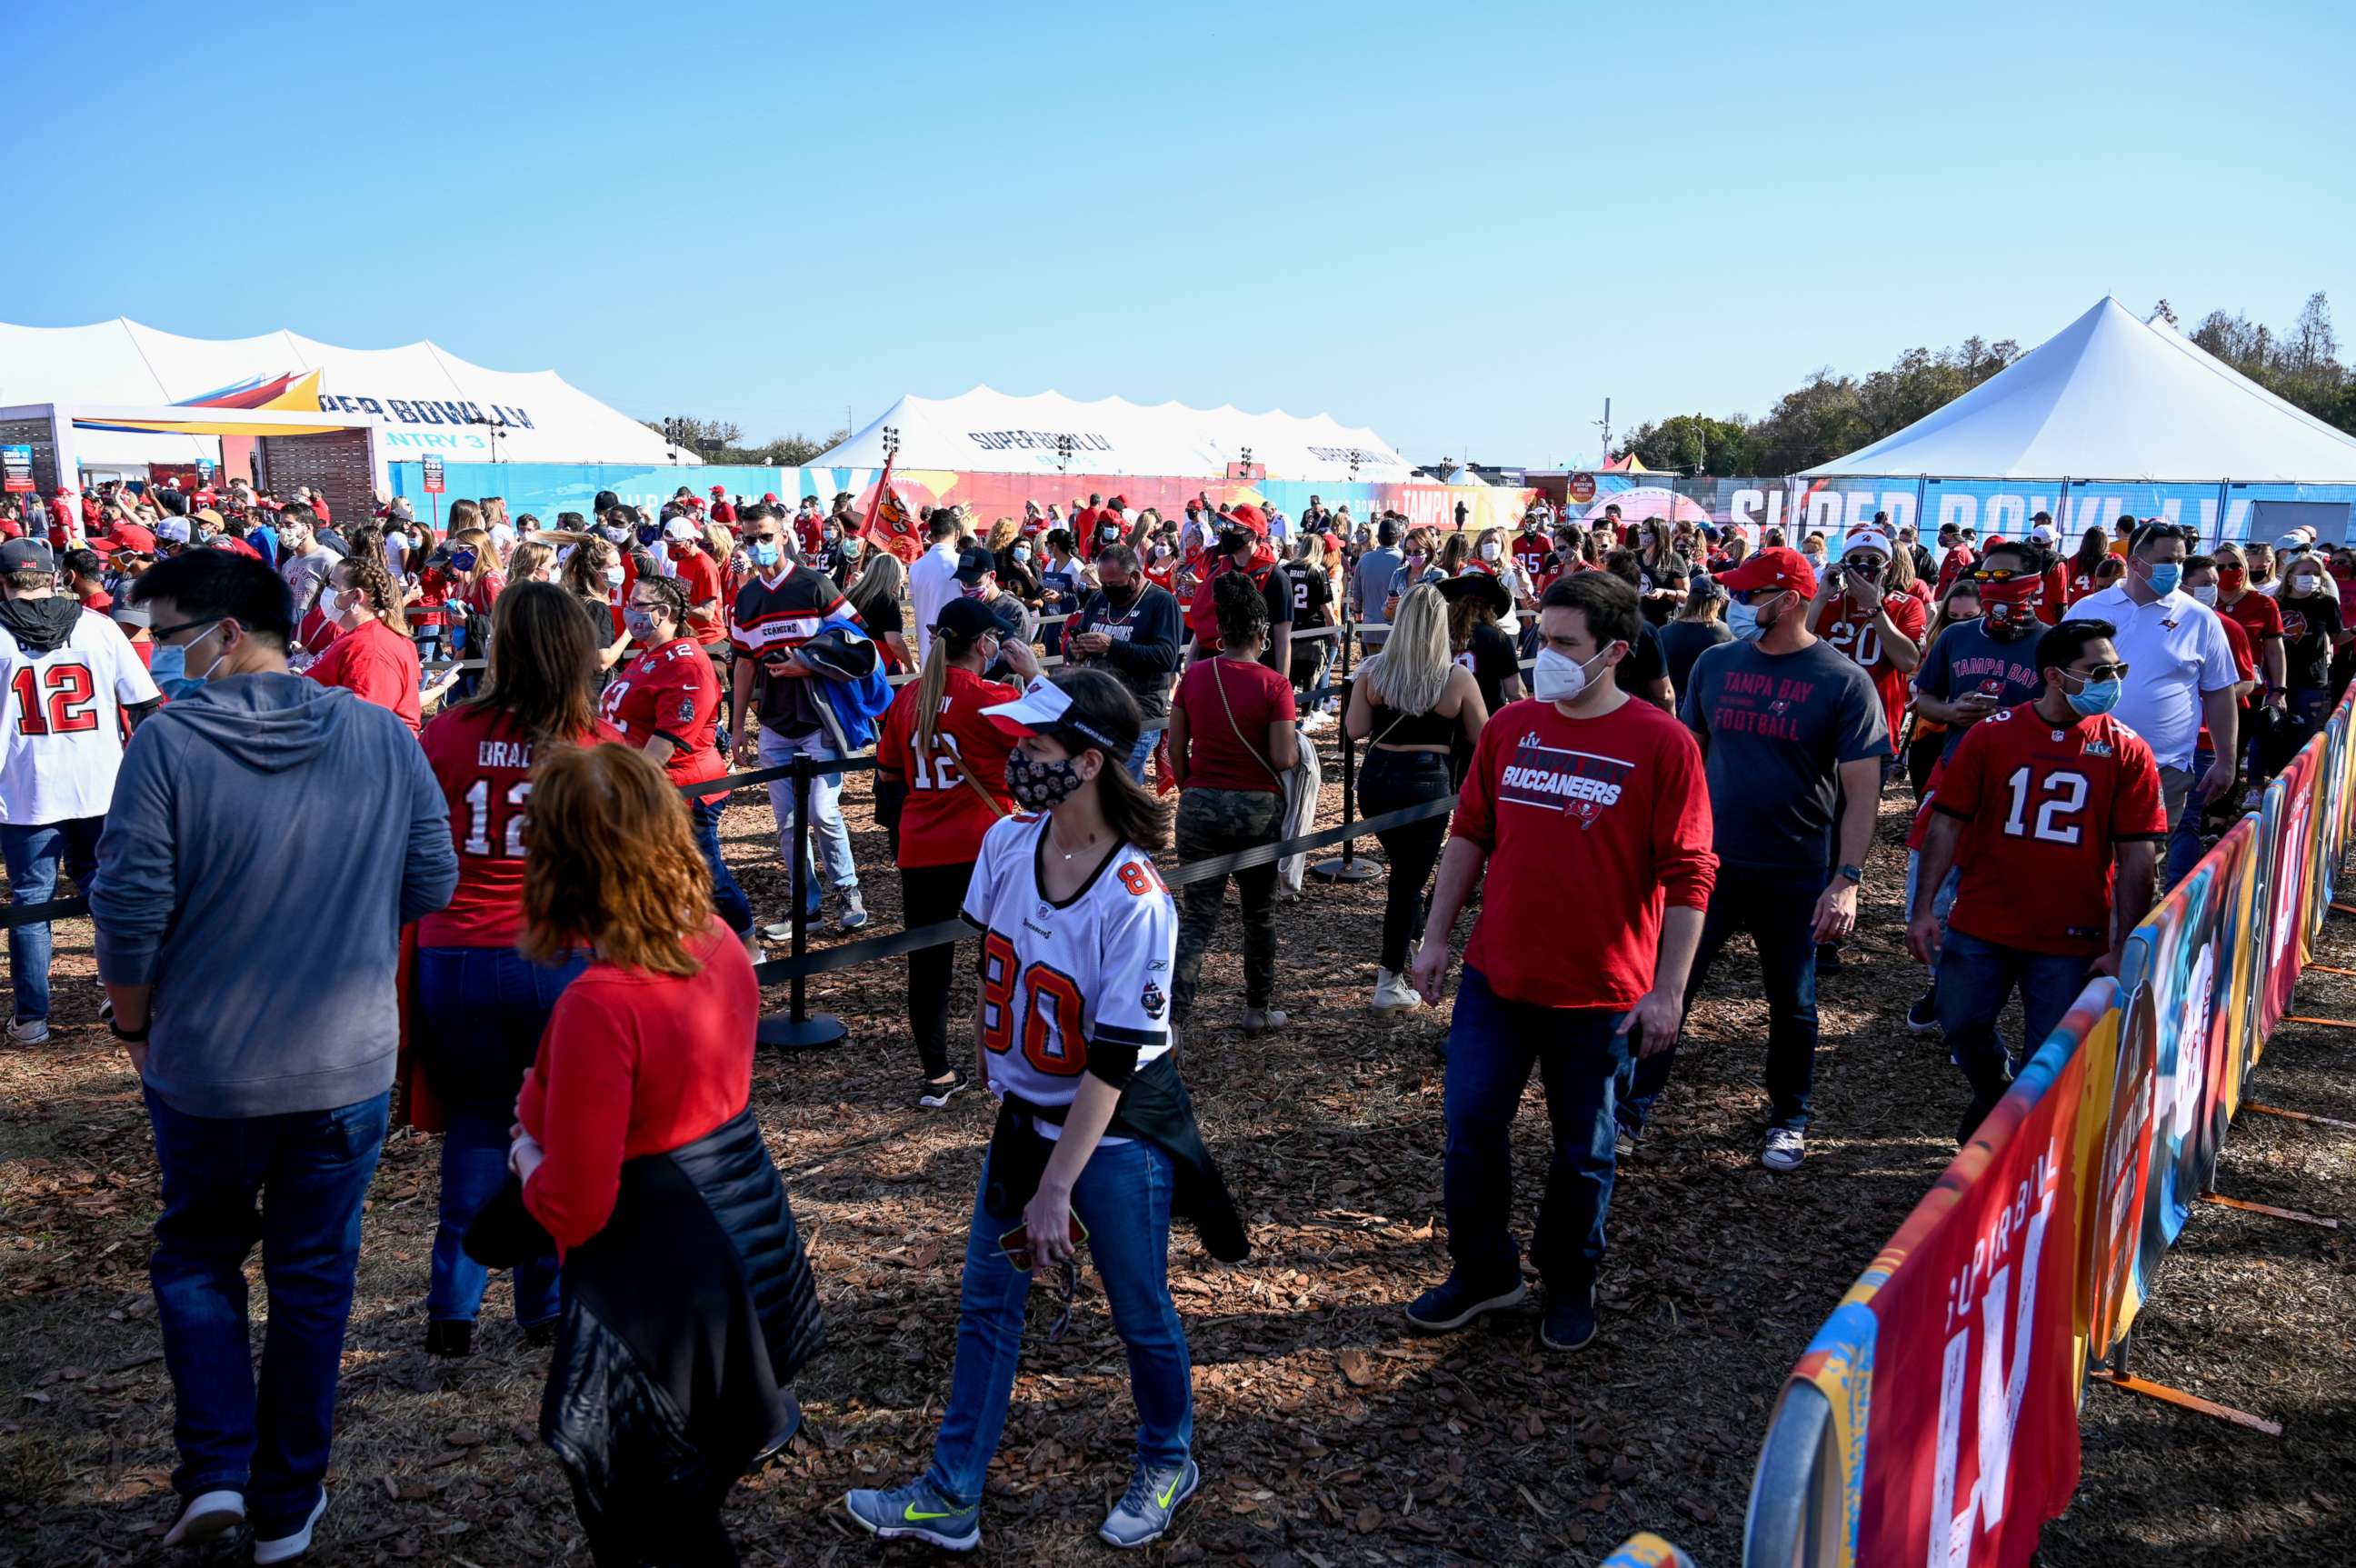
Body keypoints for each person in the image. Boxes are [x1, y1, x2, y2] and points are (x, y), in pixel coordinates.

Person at [92, 549, 456, 1562]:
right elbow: (430, 879)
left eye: (167, 636)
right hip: (343, 1062)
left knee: (202, 1256)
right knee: (311, 1275)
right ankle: (285, 1502)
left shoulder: (166, 748)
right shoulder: (384, 739)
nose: (157, 656)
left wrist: (133, 1024)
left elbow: (127, 912)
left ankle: (216, 1472)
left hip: (206, 1062)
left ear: (228, 631)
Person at [844, 669, 1243, 1554]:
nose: (1017, 756)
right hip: (1023, 1121)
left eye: (1037, 745)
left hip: (1112, 1138)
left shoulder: (1136, 898)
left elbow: (1112, 1059)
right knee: (987, 1303)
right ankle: (952, 1494)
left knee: (1139, 1308)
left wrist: (1057, 1184)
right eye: (1018, 740)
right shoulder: (1002, 845)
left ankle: (1168, 1457)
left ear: (1090, 762)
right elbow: (998, 953)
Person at [508, 743, 820, 1568]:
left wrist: (526, 1153)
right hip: (739, 1243)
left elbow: (578, 1204)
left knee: (644, 1518)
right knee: (684, 1500)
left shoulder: (601, 1000)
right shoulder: (716, 937)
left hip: (652, 1289)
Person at [1403, 572, 1712, 1352]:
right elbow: (1470, 832)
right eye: (1543, 636)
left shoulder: (1662, 743)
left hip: (1601, 994)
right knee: (1471, 1125)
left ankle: (1571, 1278)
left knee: (1585, 1151)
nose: (1547, 654)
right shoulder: (1512, 729)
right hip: (1497, 979)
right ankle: (1484, 1271)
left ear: (1615, 651)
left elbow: (1690, 874)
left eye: (1565, 643)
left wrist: (1669, 991)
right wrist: (1435, 937)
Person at [414, 582, 619, 1358]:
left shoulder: (447, 732)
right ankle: (544, 1305)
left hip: (455, 952)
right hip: (555, 959)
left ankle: (452, 1309)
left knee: (474, 1123)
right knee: (553, 1129)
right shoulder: (594, 744)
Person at [1630, 546, 1885, 1171]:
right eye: (1738, 593)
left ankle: (1788, 1118)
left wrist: (1846, 879)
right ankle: (1629, 1109)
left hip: (1796, 870)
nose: (1739, 604)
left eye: (1752, 594)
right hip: (1705, 867)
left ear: (1789, 600)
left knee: (1792, 1001)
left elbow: (1863, 793)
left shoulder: (1844, 681)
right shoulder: (1717, 664)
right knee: (1671, 988)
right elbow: (1686, 759)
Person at [1908, 619, 2163, 1140]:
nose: (2112, 680)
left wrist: (2124, 943)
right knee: (1960, 1024)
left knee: (2050, 1056)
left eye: (2118, 669)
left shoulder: (2128, 750)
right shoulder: (1992, 734)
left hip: (2070, 934)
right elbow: (1947, 821)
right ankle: (2000, 1101)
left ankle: (2010, 1147)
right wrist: (1923, 908)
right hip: (1983, 920)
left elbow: (2139, 857)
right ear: (2054, 675)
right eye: (2098, 670)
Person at [874, 597, 1038, 1105]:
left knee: (928, 968)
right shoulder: (988, 698)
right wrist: (1032, 674)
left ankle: (937, 1074)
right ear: (984, 644)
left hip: (922, 848)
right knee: (1005, 955)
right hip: (985, 846)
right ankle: (1010, 1062)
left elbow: (888, 779)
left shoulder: (910, 698)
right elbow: (1056, 734)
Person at [0, 538, 163, 1044]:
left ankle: (32, 1018)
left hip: (24, 788)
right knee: (106, 890)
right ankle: (122, 992)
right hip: (100, 783)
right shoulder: (97, 626)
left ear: (4, 581)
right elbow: (145, 704)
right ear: (55, 576)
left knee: (31, 899)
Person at [2071, 522, 2239, 890]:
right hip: (2085, 759)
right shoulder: (2088, 609)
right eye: (2165, 560)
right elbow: (2058, 679)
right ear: (2135, 562)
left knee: (2142, 865)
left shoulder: (2199, 618)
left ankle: (2128, 942)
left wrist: (2227, 759)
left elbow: (2219, 692)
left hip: (2164, 767)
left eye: (2180, 560)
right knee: (2081, 858)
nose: (2175, 569)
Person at [1167, 574, 1300, 1036]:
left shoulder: (1196, 676)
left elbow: (1175, 749)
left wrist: (1193, 788)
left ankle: (1174, 1023)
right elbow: (1283, 756)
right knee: (1258, 914)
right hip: (1256, 808)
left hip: (1200, 804)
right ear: (1262, 636)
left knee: (1197, 918)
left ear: (1220, 632)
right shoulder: (1275, 686)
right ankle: (1257, 1008)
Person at [728, 505, 870, 934]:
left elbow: (858, 643)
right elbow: (743, 664)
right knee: (788, 824)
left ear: (784, 533)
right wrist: (737, 727)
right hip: (773, 723)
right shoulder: (748, 597)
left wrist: (809, 664)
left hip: (820, 719)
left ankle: (848, 889)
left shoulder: (814, 585)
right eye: (750, 538)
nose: (758, 546)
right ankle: (805, 905)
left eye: (765, 536)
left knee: (824, 813)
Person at [1349, 584, 1488, 1014]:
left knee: (1405, 876)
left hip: (1376, 782)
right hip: (1426, 784)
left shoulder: (1373, 671)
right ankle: (1388, 979)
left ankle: (1410, 945)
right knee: (1407, 883)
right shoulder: (1456, 677)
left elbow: (1354, 729)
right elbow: (1484, 738)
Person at [604, 574, 756, 952]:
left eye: (638, 604)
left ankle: (749, 950)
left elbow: (666, 744)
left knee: (703, 874)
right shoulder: (649, 655)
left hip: (684, 790)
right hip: (648, 787)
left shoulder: (686, 664)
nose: (629, 609)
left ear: (664, 612)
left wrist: (615, 788)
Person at [1062, 544, 1183, 784]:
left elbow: (1167, 657)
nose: (1107, 590)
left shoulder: (1161, 602)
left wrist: (1112, 646)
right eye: (1104, 583)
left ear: (1135, 576)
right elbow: (1078, 640)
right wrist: (1075, 649)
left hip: (1138, 714)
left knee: (1121, 787)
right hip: (1098, 710)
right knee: (1094, 784)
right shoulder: (1099, 599)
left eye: (1114, 584)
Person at [1808, 525, 1925, 758]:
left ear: (1887, 567)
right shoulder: (1828, 603)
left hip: (1875, 724)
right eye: (1855, 559)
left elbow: (1908, 662)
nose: (1863, 567)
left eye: (1873, 560)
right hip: (1824, 722)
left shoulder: (1907, 606)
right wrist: (1820, 596)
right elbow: (1794, 645)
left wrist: (1874, 608)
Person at [303, 554, 428, 734]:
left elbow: (364, 724)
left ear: (357, 596)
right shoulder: (359, 636)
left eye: (333, 585)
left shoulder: (371, 650)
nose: (326, 591)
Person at [2276, 550, 2348, 736]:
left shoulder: (2327, 603)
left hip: (2311, 680)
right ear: (2290, 578)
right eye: (2306, 573)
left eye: (2317, 574)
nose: (2312, 578)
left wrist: (2354, 631)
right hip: (2276, 680)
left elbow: (2337, 636)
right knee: (2270, 735)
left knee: (2303, 735)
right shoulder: (2275, 603)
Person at [1438, 570, 1522, 714]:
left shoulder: (1437, 635)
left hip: (1446, 719)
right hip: (1488, 719)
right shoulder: (1498, 638)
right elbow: (1516, 693)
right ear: (1490, 609)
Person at [1283, 534, 1337, 722]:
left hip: (1288, 629)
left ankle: (1285, 714)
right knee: (1309, 678)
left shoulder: (1285, 569)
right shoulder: (1317, 570)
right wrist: (1333, 630)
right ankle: (1306, 717)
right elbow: (1326, 606)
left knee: (1288, 677)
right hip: (1312, 630)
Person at [843, 545, 912, 674]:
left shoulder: (850, 594)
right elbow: (894, 641)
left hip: (852, 659)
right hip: (879, 663)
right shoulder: (888, 601)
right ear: (895, 576)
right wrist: (911, 665)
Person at [1658, 575, 1732, 694]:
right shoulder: (1728, 634)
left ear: (1689, 598)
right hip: (1709, 702)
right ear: (1719, 602)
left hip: (1670, 702)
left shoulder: (1664, 633)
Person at [909, 509, 965, 665]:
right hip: (959, 656)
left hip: (927, 656)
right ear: (957, 535)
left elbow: (916, 604)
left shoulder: (915, 567)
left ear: (931, 535)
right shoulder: (963, 563)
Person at [274, 506, 342, 628]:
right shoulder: (289, 564)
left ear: (308, 528)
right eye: (281, 526)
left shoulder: (329, 560)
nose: (283, 531)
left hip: (316, 631)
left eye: (289, 525)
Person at [1353, 517, 1404, 654]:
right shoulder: (1404, 561)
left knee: (1372, 672)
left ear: (1378, 538)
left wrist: (1358, 621)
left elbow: (1356, 596)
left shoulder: (1365, 559)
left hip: (1371, 628)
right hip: (1397, 630)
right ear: (1399, 536)